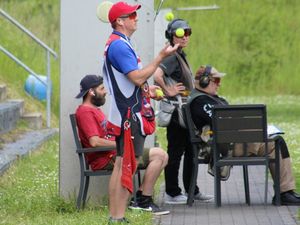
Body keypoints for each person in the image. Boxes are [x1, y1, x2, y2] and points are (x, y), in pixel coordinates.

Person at [102, 1, 179, 222]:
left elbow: (132, 82)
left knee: (120, 163)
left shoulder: (119, 42)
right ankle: (118, 216)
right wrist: (160, 57)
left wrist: (147, 90)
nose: (136, 17)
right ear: (120, 21)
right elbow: (135, 77)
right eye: (132, 15)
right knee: (126, 164)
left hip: (124, 112)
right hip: (129, 115)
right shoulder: (119, 45)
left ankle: (115, 216)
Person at [189, 64, 300, 206]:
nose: (219, 84)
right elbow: (224, 124)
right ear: (205, 81)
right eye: (216, 81)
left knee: (276, 141)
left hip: (231, 143)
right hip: (225, 146)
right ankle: (284, 193)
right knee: (275, 143)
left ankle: (286, 192)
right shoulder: (201, 101)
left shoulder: (210, 99)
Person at [75, 75, 170, 222]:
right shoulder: (85, 112)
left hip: (117, 152)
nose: (105, 91)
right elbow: (94, 142)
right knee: (160, 155)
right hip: (107, 157)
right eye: (101, 88)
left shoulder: (94, 109)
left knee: (161, 155)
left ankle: (140, 199)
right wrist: (122, 144)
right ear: (91, 92)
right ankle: (143, 201)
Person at [153, 19, 213, 204]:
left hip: (182, 113)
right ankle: (172, 192)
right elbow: (156, 75)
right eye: (181, 33)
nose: (185, 36)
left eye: (188, 33)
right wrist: (167, 91)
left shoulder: (178, 54)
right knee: (176, 151)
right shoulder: (171, 55)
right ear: (171, 35)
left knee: (190, 150)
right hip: (176, 113)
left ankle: (191, 190)